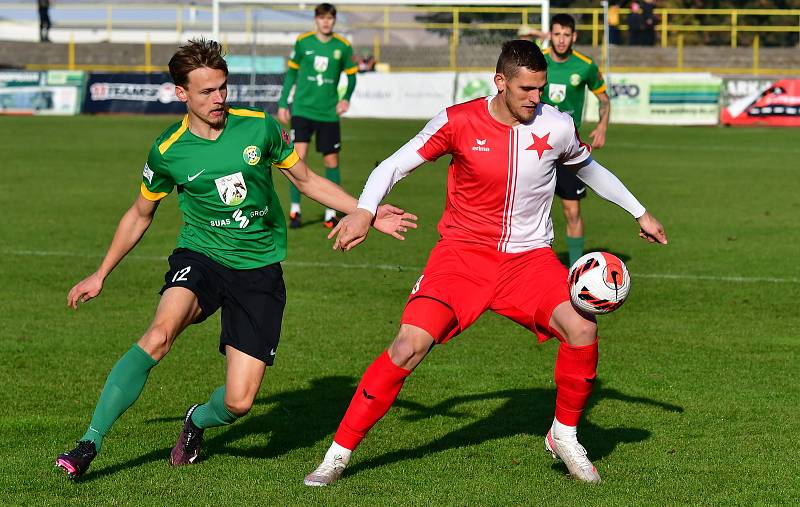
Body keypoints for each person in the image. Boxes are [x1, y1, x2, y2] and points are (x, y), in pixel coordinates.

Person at [304, 39, 667, 486]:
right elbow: (393, 166)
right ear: (500, 82)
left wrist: (639, 211)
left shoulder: (556, 125)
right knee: (407, 346)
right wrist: (363, 209)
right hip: (462, 258)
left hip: (530, 263)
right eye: (526, 90)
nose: (537, 98)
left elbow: (589, 169)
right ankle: (338, 454)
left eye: (542, 88)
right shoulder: (459, 120)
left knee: (583, 327)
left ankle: (564, 435)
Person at [54, 38, 416, 480]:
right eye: (206, 92)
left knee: (239, 402)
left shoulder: (259, 127)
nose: (219, 99)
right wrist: (101, 272)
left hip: (259, 268)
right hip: (201, 256)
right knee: (159, 334)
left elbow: (306, 180)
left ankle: (195, 421)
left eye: (223, 88)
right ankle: (88, 443)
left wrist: (366, 212)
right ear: (181, 93)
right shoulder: (167, 150)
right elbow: (140, 213)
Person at [278, 3, 358, 229]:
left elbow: (352, 77)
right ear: (316, 19)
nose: (326, 22)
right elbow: (292, 73)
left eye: (330, 18)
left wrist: (346, 98)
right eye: (322, 18)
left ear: (334, 21)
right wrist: (284, 102)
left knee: (331, 161)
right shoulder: (303, 42)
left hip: (328, 113)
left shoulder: (342, 46)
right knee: (297, 160)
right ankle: (295, 210)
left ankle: (330, 213)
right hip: (302, 110)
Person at [541, 13, 611, 267]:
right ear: (550, 34)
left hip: (568, 150)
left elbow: (604, 99)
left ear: (574, 37)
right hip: (536, 148)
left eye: (566, 35)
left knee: (572, 210)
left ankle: (576, 268)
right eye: (557, 34)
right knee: (531, 213)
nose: (561, 40)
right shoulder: (538, 61)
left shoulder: (585, 65)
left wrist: (602, 125)